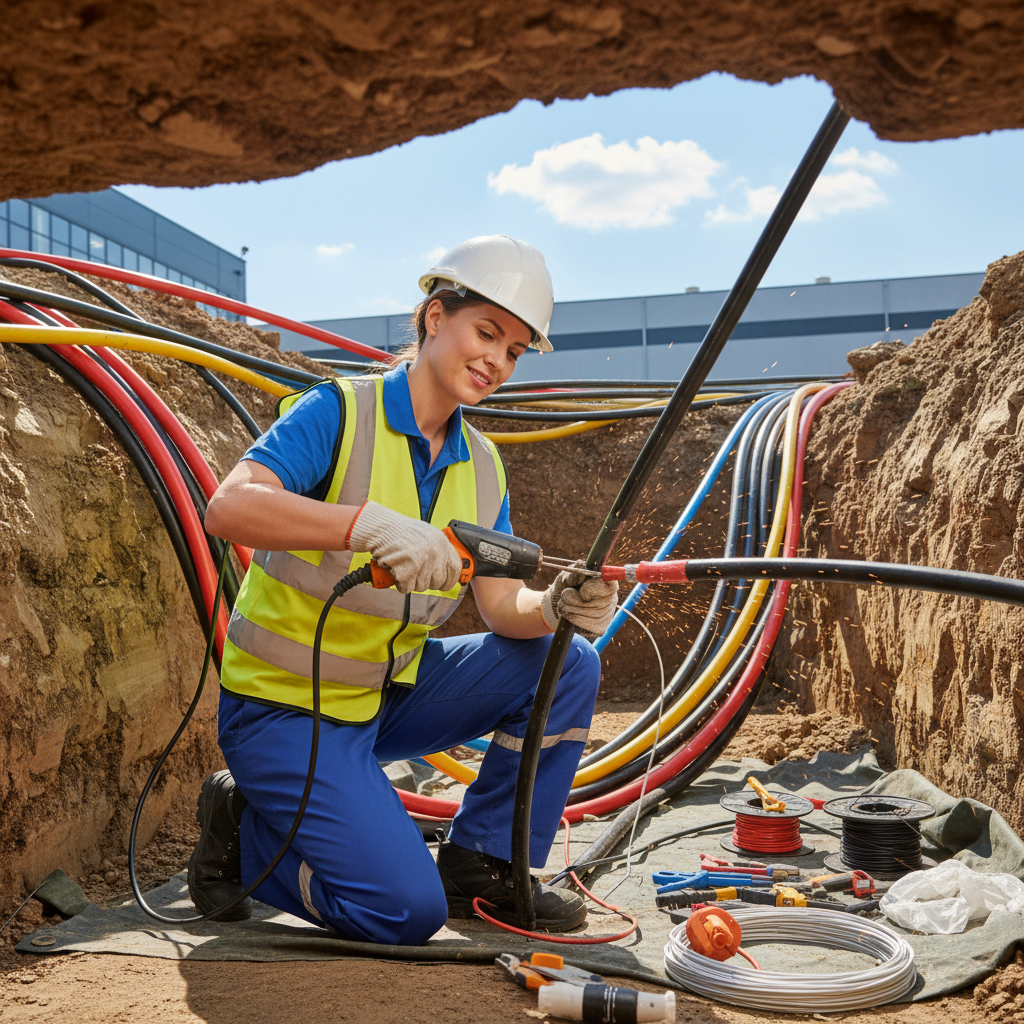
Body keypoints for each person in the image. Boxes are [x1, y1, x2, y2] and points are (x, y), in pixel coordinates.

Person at [189, 236, 618, 943]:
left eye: (513, 350)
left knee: (566, 662)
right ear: (433, 317)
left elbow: (502, 608)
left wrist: (550, 609)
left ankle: (484, 865)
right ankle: (247, 838)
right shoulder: (340, 412)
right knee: (402, 912)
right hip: (283, 710)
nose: (496, 361)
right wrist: (363, 523)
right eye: (486, 333)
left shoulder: (482, 467)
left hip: (382, 699)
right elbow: (228, 507)